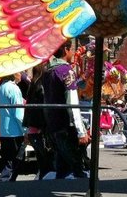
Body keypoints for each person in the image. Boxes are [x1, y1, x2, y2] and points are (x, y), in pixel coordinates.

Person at [42, 44, 89, 179]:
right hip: (66, 127)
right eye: (72, 49)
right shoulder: (66, 71)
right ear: (66, 50)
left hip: (52, 126)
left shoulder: (47, 71)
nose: (74, 52)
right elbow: (72, 102)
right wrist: (81, 131)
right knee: (77, 168)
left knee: (62, 168)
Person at [23, 63, 53, 179]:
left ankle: (40, 181)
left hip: (32, 129)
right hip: (39, 129)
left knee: (42, 162)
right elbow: (43, 109)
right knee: (47, 162)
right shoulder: (42, 86)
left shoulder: (32, 84)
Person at [0, 73, 25, 182]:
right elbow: (18, 114)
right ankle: (2, 184)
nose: (21, 75)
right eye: (20, 72)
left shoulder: (1, 87)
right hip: (15, 131)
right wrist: (25, 130)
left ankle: (7, 185)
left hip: (4, 131)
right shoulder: (14, 88)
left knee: (8, 162)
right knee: (15, 162)